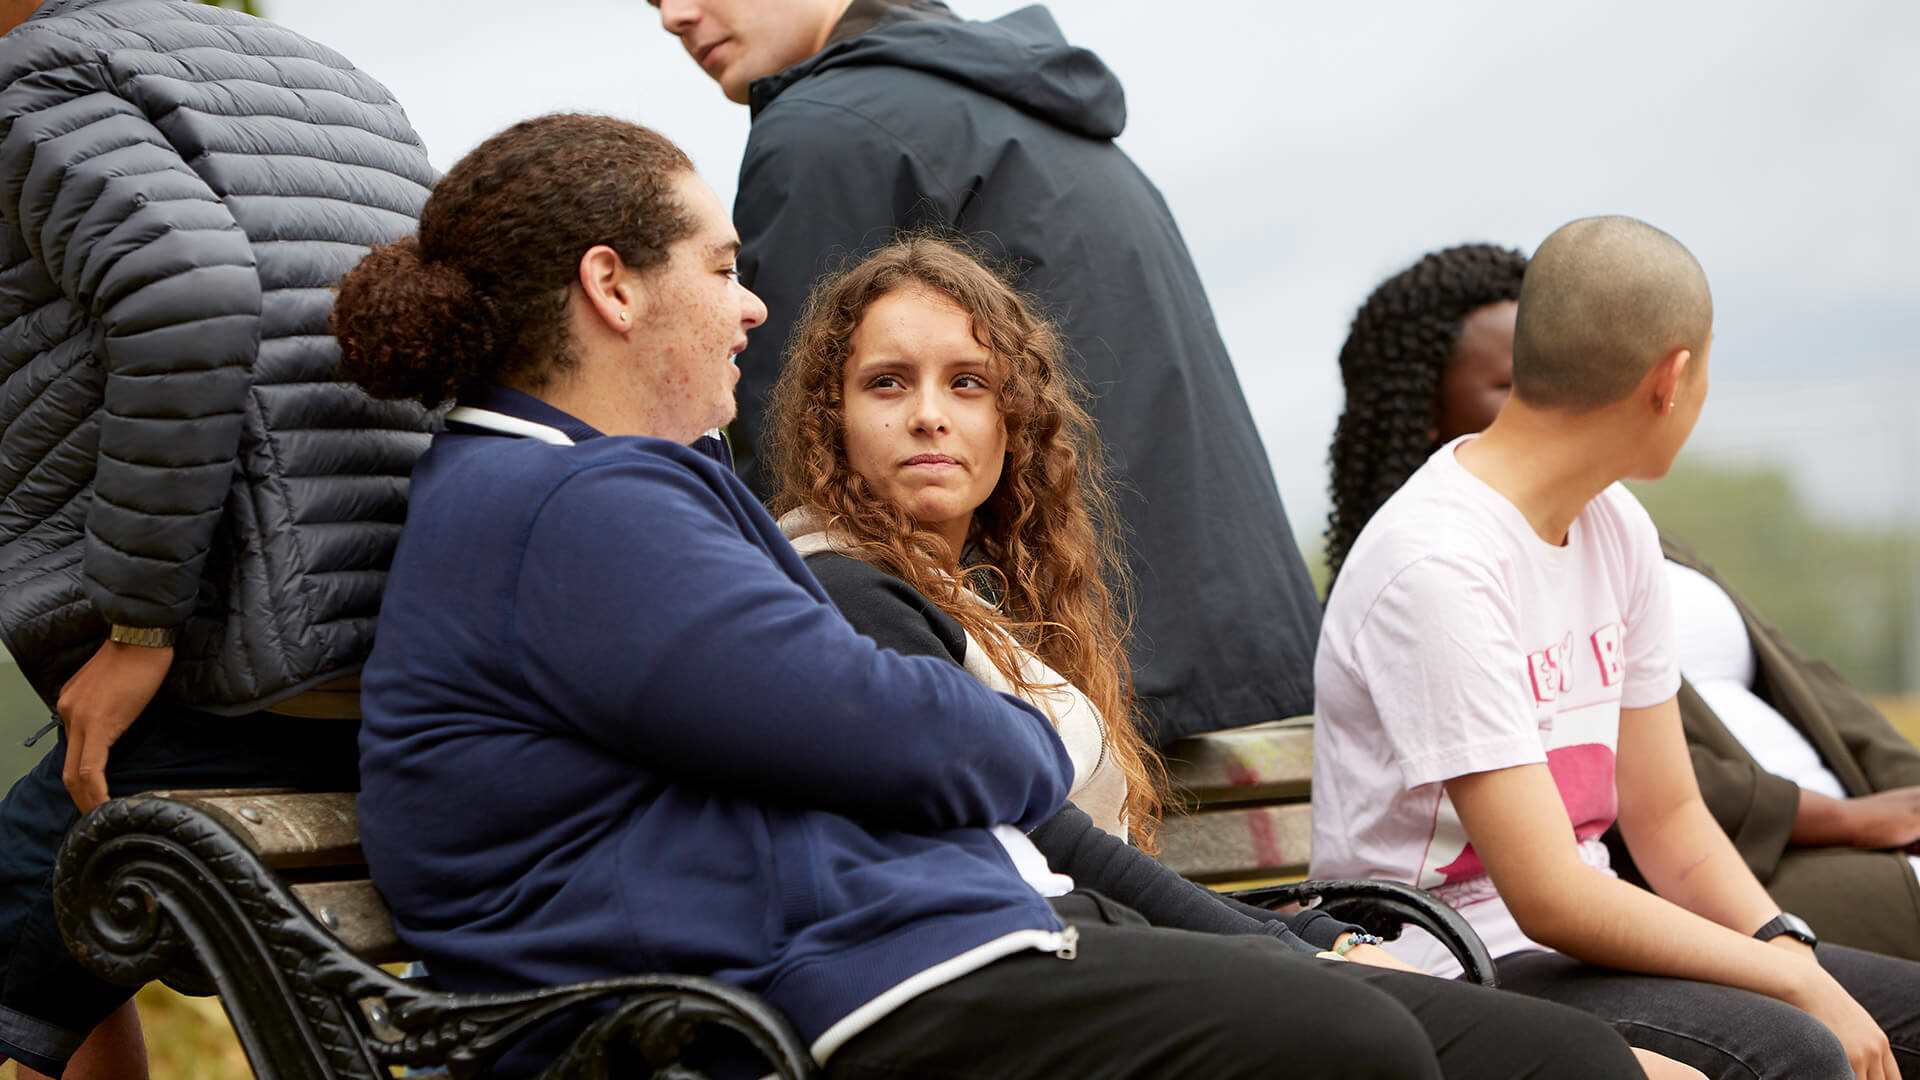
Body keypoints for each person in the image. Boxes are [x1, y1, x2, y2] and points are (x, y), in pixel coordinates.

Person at [335, 114, 1648, 1080]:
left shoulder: (603, 487)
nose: (750, 306)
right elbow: (886, 723)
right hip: (721, 1014)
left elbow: (832, 724)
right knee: (1345, 1044)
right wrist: (1010, 732)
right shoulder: (574, 510)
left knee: (1484, 1051)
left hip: (824, 967)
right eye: (724, 266)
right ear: (613, 286)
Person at [761, 233, 1718, 1080]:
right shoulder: (844, 593)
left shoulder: (978, 601)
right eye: (888, 382)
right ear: (831, 418)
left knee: (1565, 1054)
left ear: (1011, 422)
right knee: (1542, 1055)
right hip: (998, 975)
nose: (930, 414)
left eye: (967, 383)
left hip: (1103, 951)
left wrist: (1307, 932)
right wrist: (1306, 946)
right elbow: (1051, 842)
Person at [1311, 215, 1920, 1079]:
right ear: (1671, 379)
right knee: (1799, 1051)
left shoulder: (1615, 527)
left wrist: (1788, 948)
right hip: (1451, 963)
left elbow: (1669, 820)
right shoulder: (1437, 563)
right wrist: (1793, 987)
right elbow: (1549, 894)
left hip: (1573, 949)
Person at [646, 0, 1322, 745]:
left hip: (1049, 679)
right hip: (1169, 648)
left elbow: (791, 449)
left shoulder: (826, 130)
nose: (674, 16)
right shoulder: (1006, 98)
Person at [0, 0, 436, 1075]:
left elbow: (189, 288)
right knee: (63, 939)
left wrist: (140, 629)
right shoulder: (331, 79)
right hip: (394, 669)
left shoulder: (35, 85)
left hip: (225, 682)